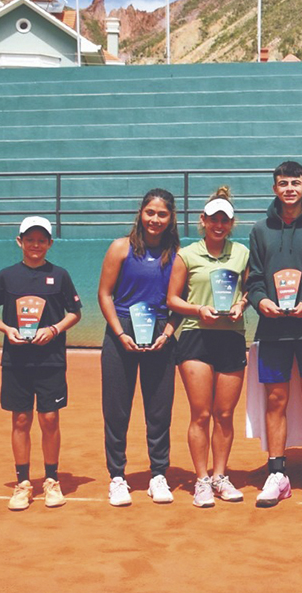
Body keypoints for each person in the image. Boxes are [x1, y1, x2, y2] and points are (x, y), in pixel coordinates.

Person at [245, 161, 302, 507]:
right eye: (283, 183)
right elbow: (253, 279)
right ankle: (277, 473)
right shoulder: (260, 229)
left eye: (296, 182)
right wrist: (260, 300)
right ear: (274, 189)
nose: (290, 189)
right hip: (273, 330)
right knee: (276, 400)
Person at [0, 216, 82, 511]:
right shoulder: (6, 276)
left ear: (50, 243)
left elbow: (74, 312)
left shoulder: (60, 275)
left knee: (49, 419)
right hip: (16, 360)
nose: (35, 245)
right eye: (30, 239)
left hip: (51, 360)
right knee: (21, 419)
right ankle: (23, 483)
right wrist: (6, 329)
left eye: (41, 240)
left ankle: (51, 480)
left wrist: (53, 330)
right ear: (19, 242)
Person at [97, 189, 182, 507]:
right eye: (150, 212)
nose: (155, 220)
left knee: (159, 410)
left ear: (171, 217)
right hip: (121, 335)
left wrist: (169, 332)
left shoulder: (176, 253)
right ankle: (117, 477)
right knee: (116, 410)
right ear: (140, 213)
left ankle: (158, 474)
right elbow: (105, 294)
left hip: (160, 335)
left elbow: (177, 303)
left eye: (162, 214)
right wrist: (120, 334)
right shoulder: (120, 248)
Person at [166, 187, 250, 508]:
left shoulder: (242, 253)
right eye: (213, 219)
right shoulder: (187, 255)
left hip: (231, 336)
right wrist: (198, 309)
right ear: (203, 221)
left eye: (224, 220)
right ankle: (201, 480)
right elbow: (172, 299)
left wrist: (242, 304)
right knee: (200, 414)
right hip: (195, 336)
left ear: (231, 223)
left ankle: (220, 476)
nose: (218, 224)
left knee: (225, 414)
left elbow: (249, 290)